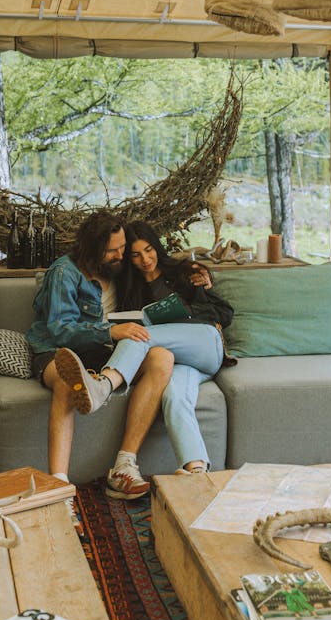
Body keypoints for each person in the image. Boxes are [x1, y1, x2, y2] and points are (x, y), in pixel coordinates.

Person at [28, 210, 232, 499]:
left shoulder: (143, 270)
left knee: (152, 346)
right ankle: (60, 487)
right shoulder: (67, 272)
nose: (122, 256)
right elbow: (60, 330)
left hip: (121, 349)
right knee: (72, 378)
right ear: (92, 248)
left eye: (124, 249)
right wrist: (112, 331)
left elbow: (207, 299)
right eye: (114, 251)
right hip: (61, 349)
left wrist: (199, 273)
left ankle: (113, 422)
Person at [118, 220, 236, 475]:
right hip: (179, 364)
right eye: (136, 255)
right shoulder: (130, 289)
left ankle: (105, 383)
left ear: (156, 248)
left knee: (140, 335)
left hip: (205, 346)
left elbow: (225, 314)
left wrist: (196, 298)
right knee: (174, 396)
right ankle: (196, 469)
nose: (145, 259)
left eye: (148, 250)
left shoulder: (184, 272)